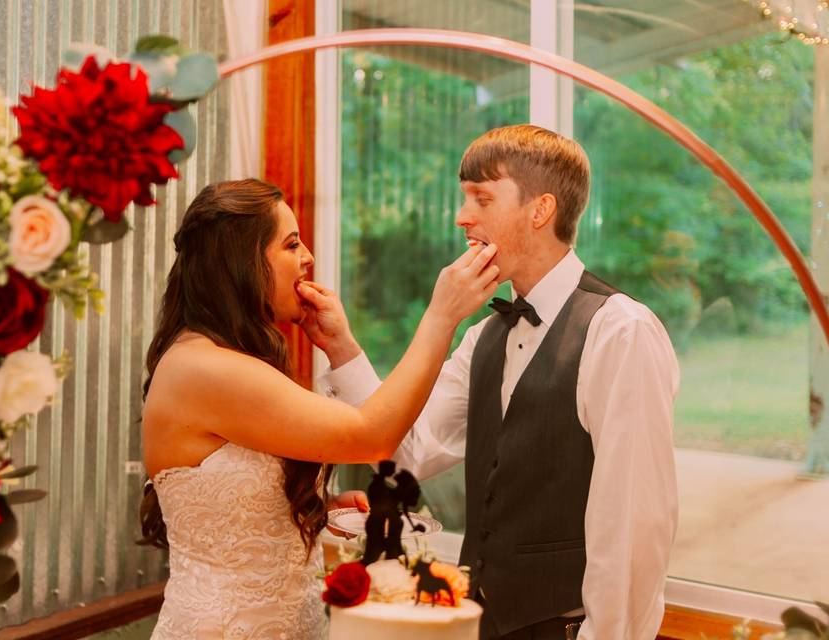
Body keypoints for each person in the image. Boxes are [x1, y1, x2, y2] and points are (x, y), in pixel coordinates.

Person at [308, 125, 680, 639]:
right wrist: (342, 349)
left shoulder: (620, 330)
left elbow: (635, 523)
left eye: (481, 198)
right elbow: (407, 451)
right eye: (465, 199)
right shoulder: (484, 335)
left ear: (540, 209)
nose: (463, 217)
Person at [139, 178, 500, 639]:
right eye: (291, 244)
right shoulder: (202, 367)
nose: (308, 257)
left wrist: (316, 510)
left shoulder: (227, 360)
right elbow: (371, 435)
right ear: (241, 262)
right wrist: (442, 316)